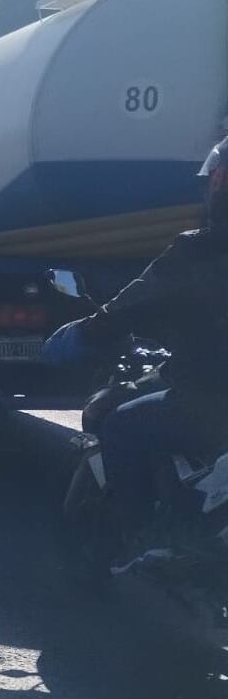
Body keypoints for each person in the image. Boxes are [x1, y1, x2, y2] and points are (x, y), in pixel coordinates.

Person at [44, 132, 228, 533]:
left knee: (121, 424)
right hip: (203, 388)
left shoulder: (197, 252)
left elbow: (133, 304)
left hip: (208, 394)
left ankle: (139, 532)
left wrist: (83, 335)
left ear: (217, 185)